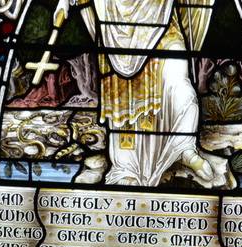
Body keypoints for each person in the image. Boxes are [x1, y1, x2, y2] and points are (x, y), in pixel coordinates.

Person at [56, 0, 223, 186]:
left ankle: (184, 147)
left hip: (161, 14)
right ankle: (127, 168)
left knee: (179, 84)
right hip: (116, 20)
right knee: (127, 96)